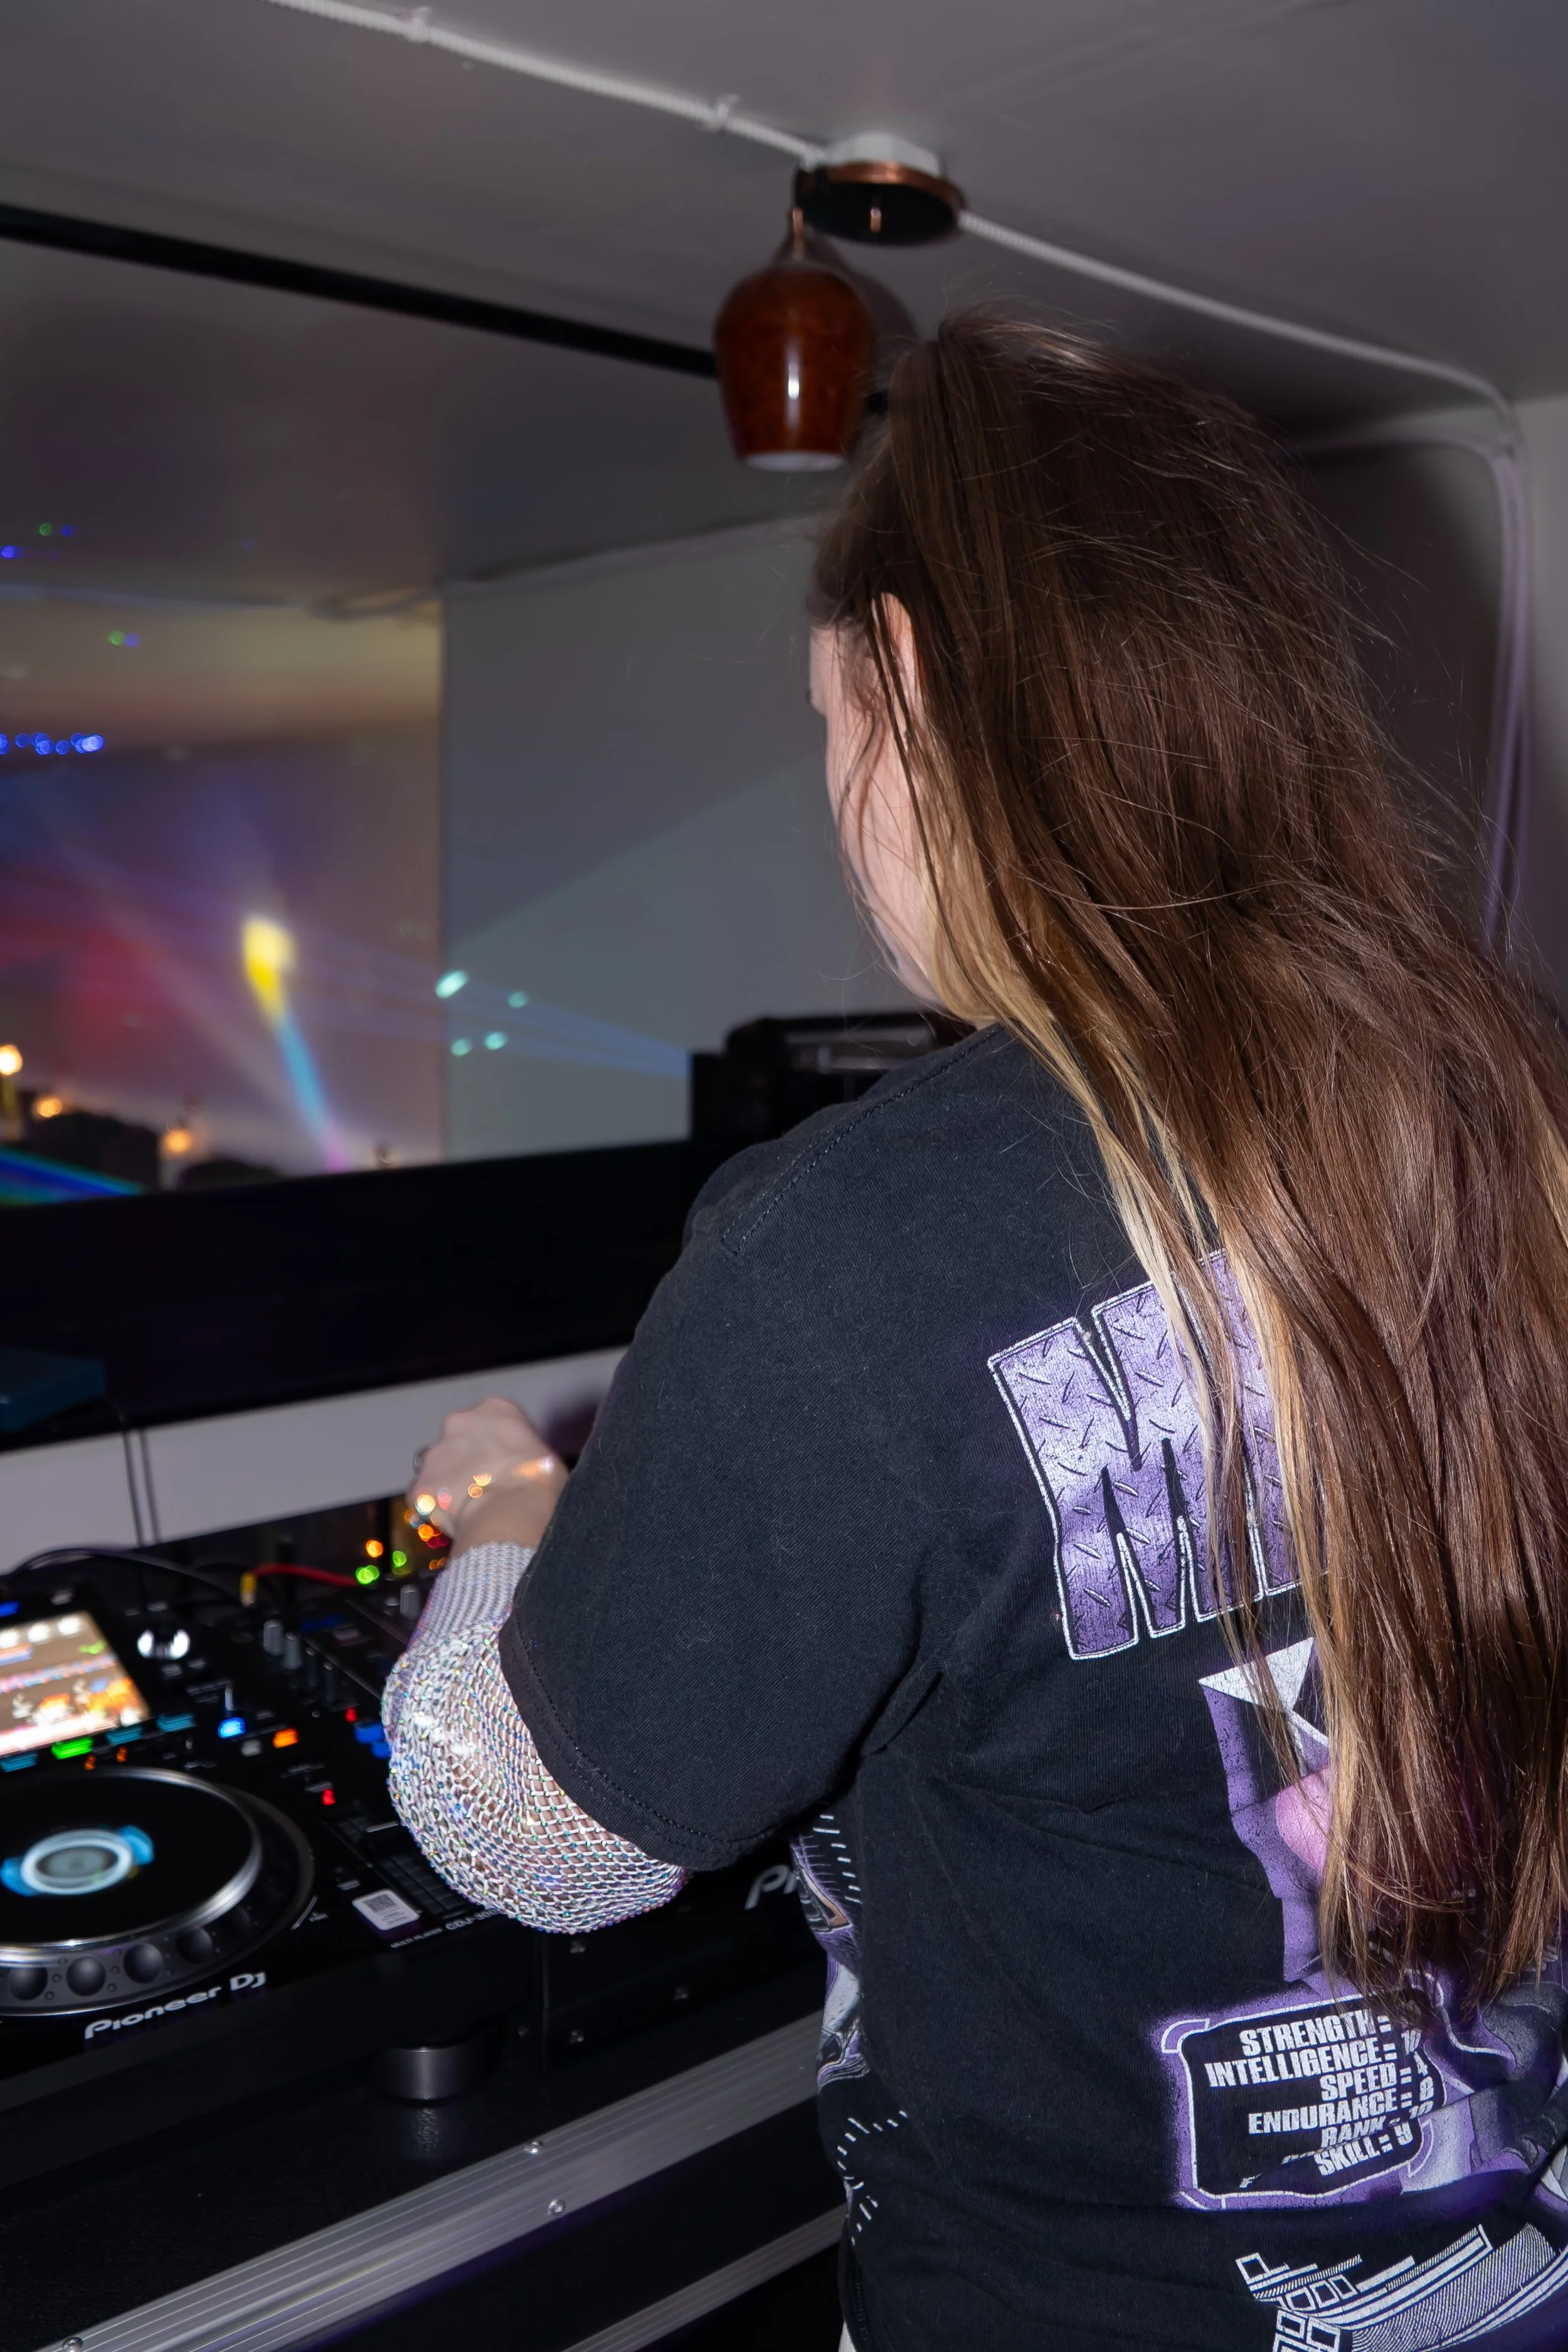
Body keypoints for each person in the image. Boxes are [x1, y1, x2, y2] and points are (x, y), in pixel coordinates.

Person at [385, 314, 1568, 2351]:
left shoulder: (850, 1241)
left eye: (832, 719)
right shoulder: (1507, 1116)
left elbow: (531, 1832)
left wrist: (501, 1508)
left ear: (908, 678)